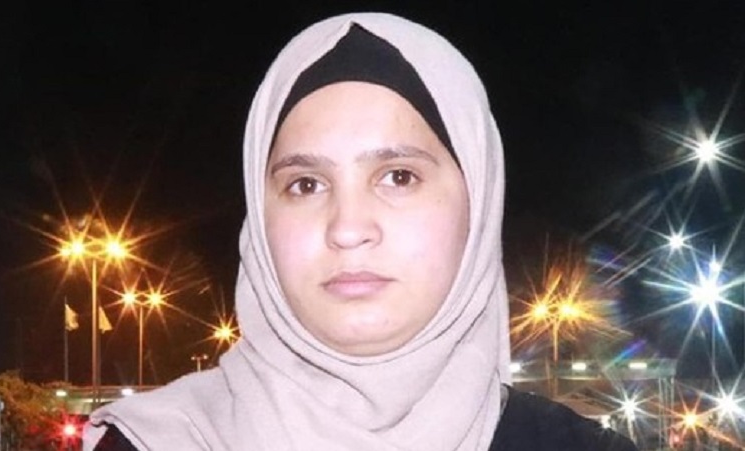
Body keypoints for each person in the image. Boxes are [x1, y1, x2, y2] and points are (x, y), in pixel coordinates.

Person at [83, 12, 638, 451]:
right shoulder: (152, 442)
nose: (348, 229)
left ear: (479, 202)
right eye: (305, 184)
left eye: (399, 176)